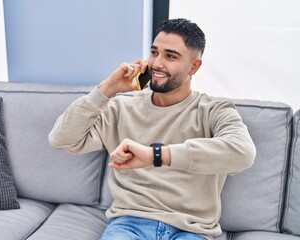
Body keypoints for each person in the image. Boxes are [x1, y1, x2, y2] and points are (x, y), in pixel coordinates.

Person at [48, 18, 256, 240]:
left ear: (194, 66)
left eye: (171, 56)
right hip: (129, 224)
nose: (157, 63)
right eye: (154, 52)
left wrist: (155, 155)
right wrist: (108, 88)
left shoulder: (214, 110)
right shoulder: (121, 107)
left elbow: (242, 152)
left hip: (191, 230)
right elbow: (62, 139)